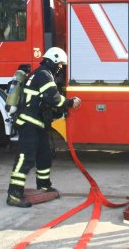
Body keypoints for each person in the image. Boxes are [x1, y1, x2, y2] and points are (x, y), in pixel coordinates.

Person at [6, 47, 81, 208]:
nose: (60, 68)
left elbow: (46, 102)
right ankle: (14, 194)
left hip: (38, 124)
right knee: (26, 158)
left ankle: (44, 185)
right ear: (52, 61)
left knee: (44, 155)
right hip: (28, 123)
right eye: (60, 64)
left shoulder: (42, 75)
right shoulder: (43, 75)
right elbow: (53, 98)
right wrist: (69, 103)